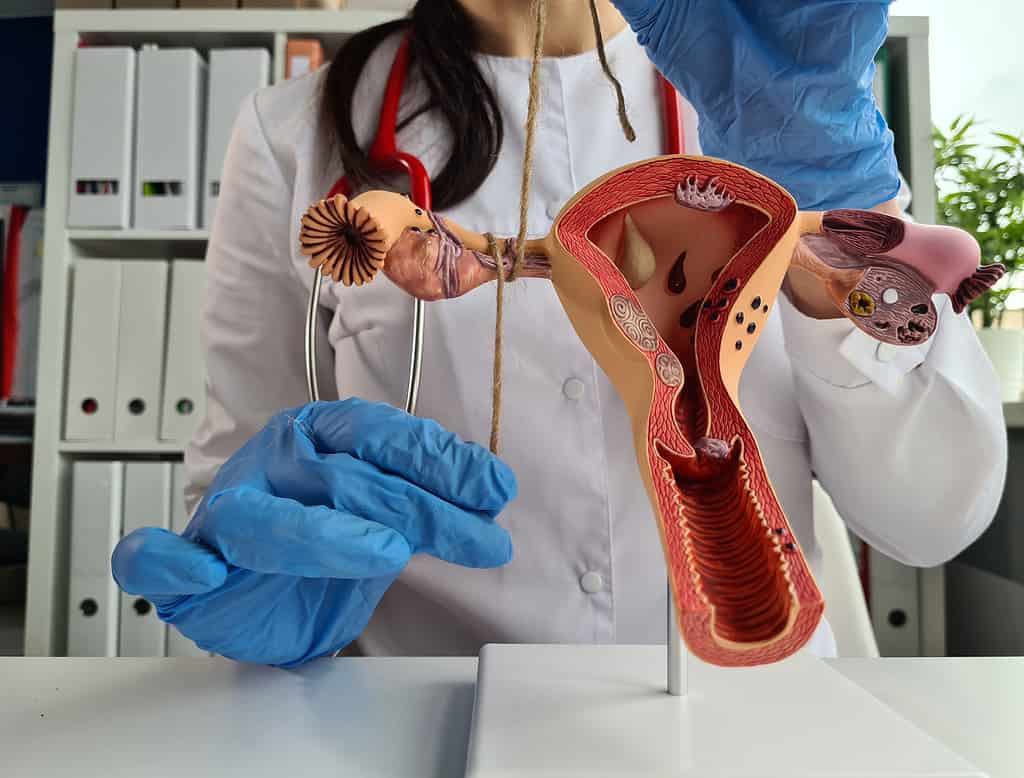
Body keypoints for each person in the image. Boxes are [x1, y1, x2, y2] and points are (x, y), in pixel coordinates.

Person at [112, 0, 1007, 667]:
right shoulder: (292, 136)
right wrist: (259, 560)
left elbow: (931, 519)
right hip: (428, 715)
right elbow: (241, 491)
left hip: (755, 727)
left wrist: (840, 198)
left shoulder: (771, 100)